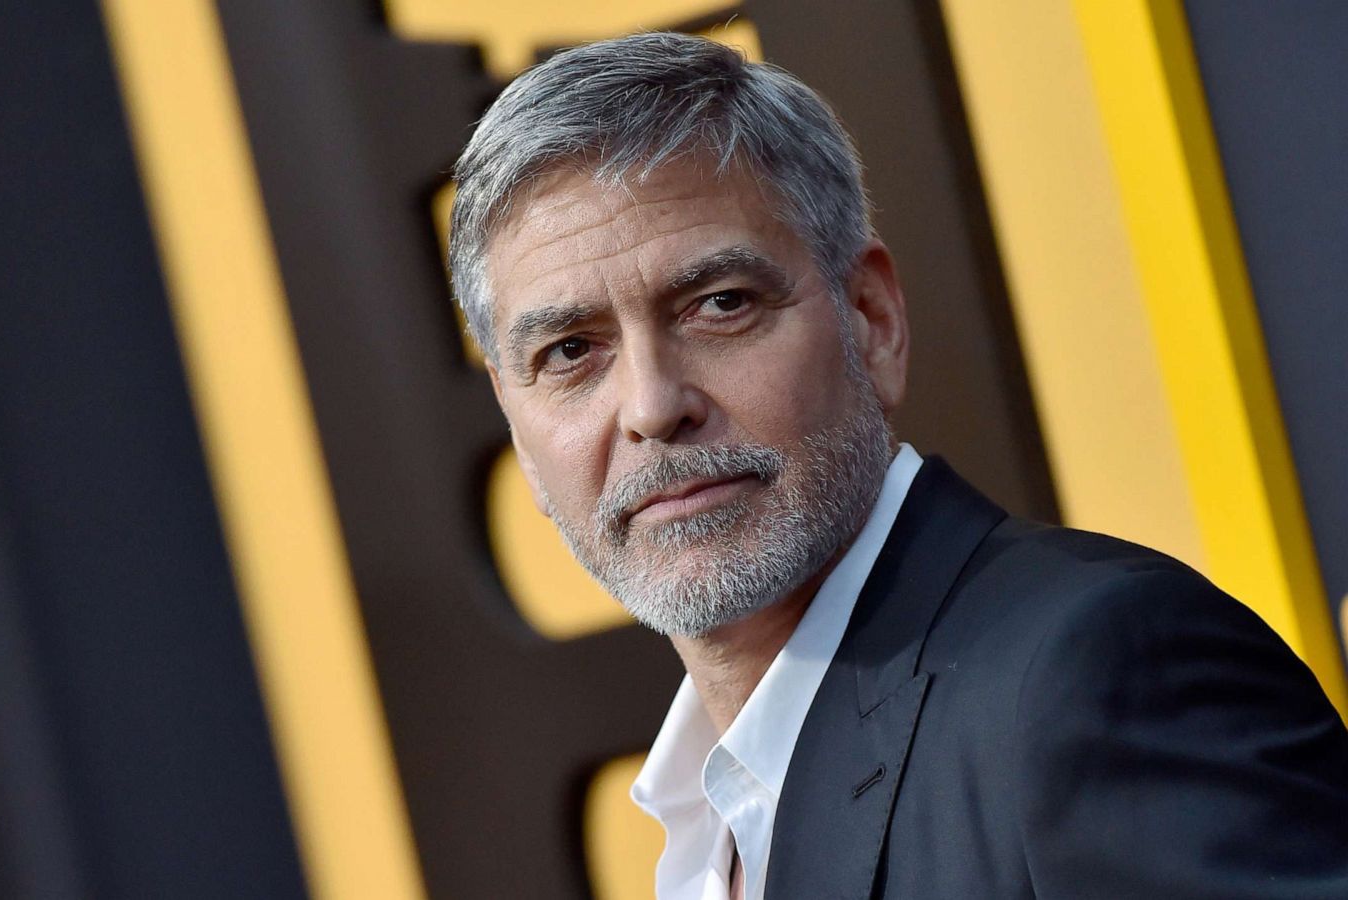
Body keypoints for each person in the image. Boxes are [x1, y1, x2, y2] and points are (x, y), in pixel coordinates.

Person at [448, 30, 1348, 900]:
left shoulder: (1090, 676)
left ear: (872, 319)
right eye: (569, 352)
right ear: (520, 434)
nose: (651, 406)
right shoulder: (708, 810)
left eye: (719, 304)